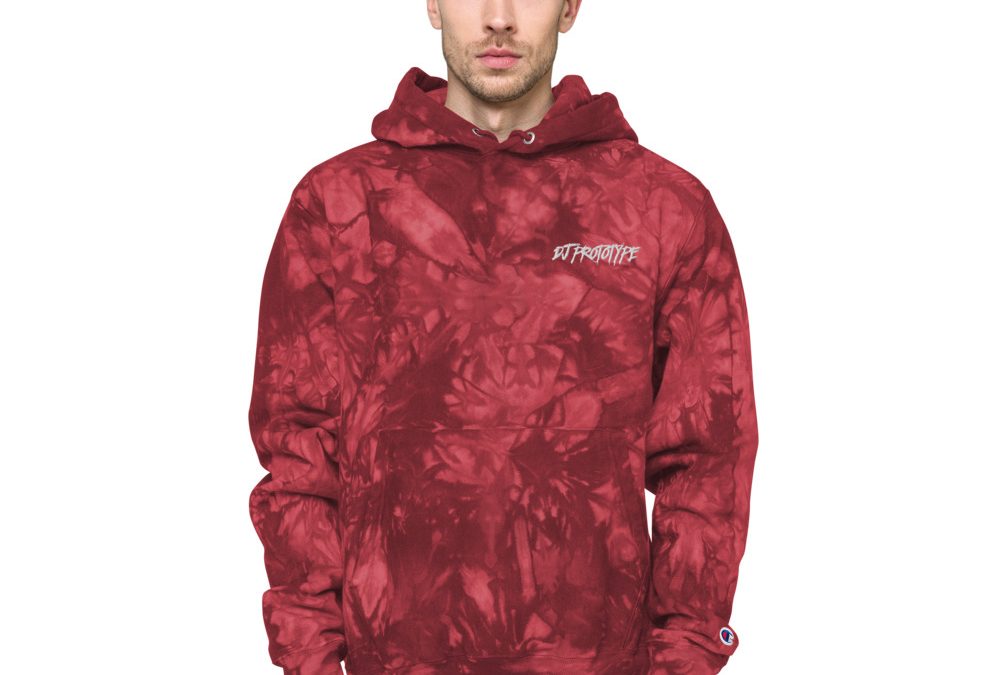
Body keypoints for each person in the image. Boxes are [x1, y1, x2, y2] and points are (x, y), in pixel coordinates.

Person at [247, 1, 759, 673]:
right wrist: (309, 656)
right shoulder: (339, 204)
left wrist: (685, 655)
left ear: (569, 7)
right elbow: (299, 455)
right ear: (433, 4)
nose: (498, 18)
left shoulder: (662, 207)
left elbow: (709, 457)